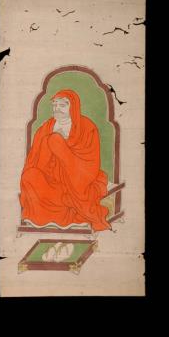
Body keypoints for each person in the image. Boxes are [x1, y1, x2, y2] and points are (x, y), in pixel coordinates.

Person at [19, 89, 111, 231]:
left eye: (62, 105)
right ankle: (56, 208)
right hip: (51, 178)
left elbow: (90, 161)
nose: (57, 109)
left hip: (77, 178)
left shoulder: (87, 127)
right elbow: (35, 161)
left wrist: (59, 144)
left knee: (54, 140)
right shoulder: (46, 127)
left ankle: (67, 203)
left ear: (73, 106)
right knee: (29, 175)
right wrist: (51, 142)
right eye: (54, 105)